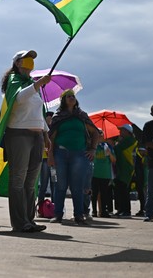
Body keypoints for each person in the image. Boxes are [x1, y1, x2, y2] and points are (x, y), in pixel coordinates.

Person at [0, 50, 51, 232]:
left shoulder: (32, 84)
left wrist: (46, 134)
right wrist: (39, 84)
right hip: (19, 134)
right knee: (18, 179)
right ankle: (20, 222)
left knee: (31, 182)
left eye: (32, 60)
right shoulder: (14, 81)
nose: (30, 63)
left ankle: (29, 220)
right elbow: (18, 99)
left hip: (36, 136)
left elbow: (40, 113)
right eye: (26, 59)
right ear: (17, 63)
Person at [49, 89, 99, 225]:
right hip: (60, 153)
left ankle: (79, 215)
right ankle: (58, 215)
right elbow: (51, 138)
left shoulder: (81, 116)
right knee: (61, 186)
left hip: (79, 154)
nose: (71, 98)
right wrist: (50, 156)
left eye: (73, 96)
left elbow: (96, 133)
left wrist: (93, 149)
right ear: (63, 100)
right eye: (68, 96)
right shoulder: (57, 116)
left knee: (78, 186)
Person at [112, 124, 137, 218]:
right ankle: (121, 209)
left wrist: (114, 144)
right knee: (119, 189)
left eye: (122, 130)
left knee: (124, 190)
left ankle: (126, 211)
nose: (120, 131)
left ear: (127, 131)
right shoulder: (123, 141)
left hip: (126, 168)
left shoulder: (130, 141)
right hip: (120, 168)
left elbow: (117, 149)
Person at [91, 130, 116, 218]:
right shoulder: (92, 146)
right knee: (94, 193)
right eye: (98, 136)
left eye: (101, 136)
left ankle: (103, 211)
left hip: (105, 174)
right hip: (94, 173)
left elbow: (114, 161)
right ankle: (94, 211)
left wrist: (110, 154)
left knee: (104, 193)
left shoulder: (107, 146)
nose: (100, 138)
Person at [37, 111, 54, 210]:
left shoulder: (54, 129)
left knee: (54, 185)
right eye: (48, 117)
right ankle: (41, 207)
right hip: (44, 158)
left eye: (51, 118)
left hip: (54, 159)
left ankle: (54, 207)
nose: (50, 119)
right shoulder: (42, 129)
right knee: (43, 184)